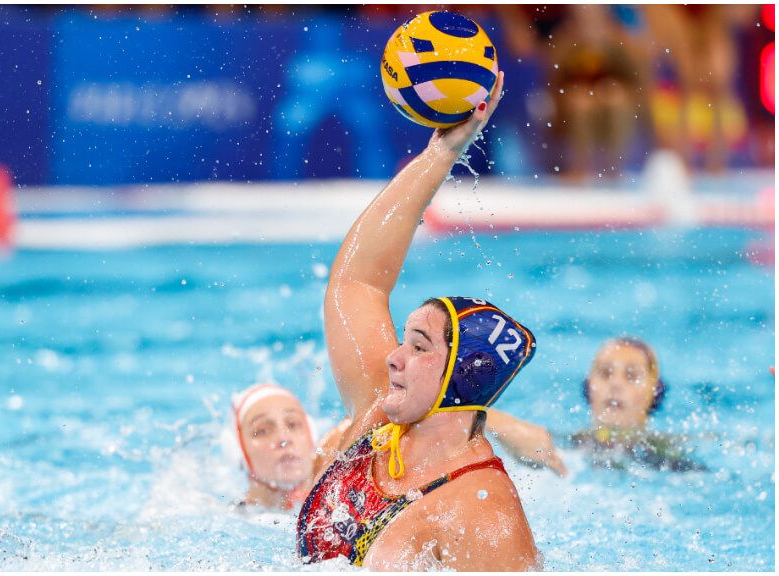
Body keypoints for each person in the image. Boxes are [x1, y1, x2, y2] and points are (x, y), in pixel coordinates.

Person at [296, 72, 542, 571]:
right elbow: (356, 283)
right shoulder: (378, 414)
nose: (394, 356)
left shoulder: (483, 511)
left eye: (420, 346)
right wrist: (440, 154)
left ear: (462, 377)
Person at [489, 337, 705, 473]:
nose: (615, 384)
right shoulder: (566, 445)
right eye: (605, 373)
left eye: (631, 376)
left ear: (655, 393)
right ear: (588, 388)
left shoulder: (671, 457)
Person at [228, 383, 350, 511]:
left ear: (311, 436)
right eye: (262, 431)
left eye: (292, 425)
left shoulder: (338, 497)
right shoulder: (228, 518)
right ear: (238, 450)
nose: (284, 439)